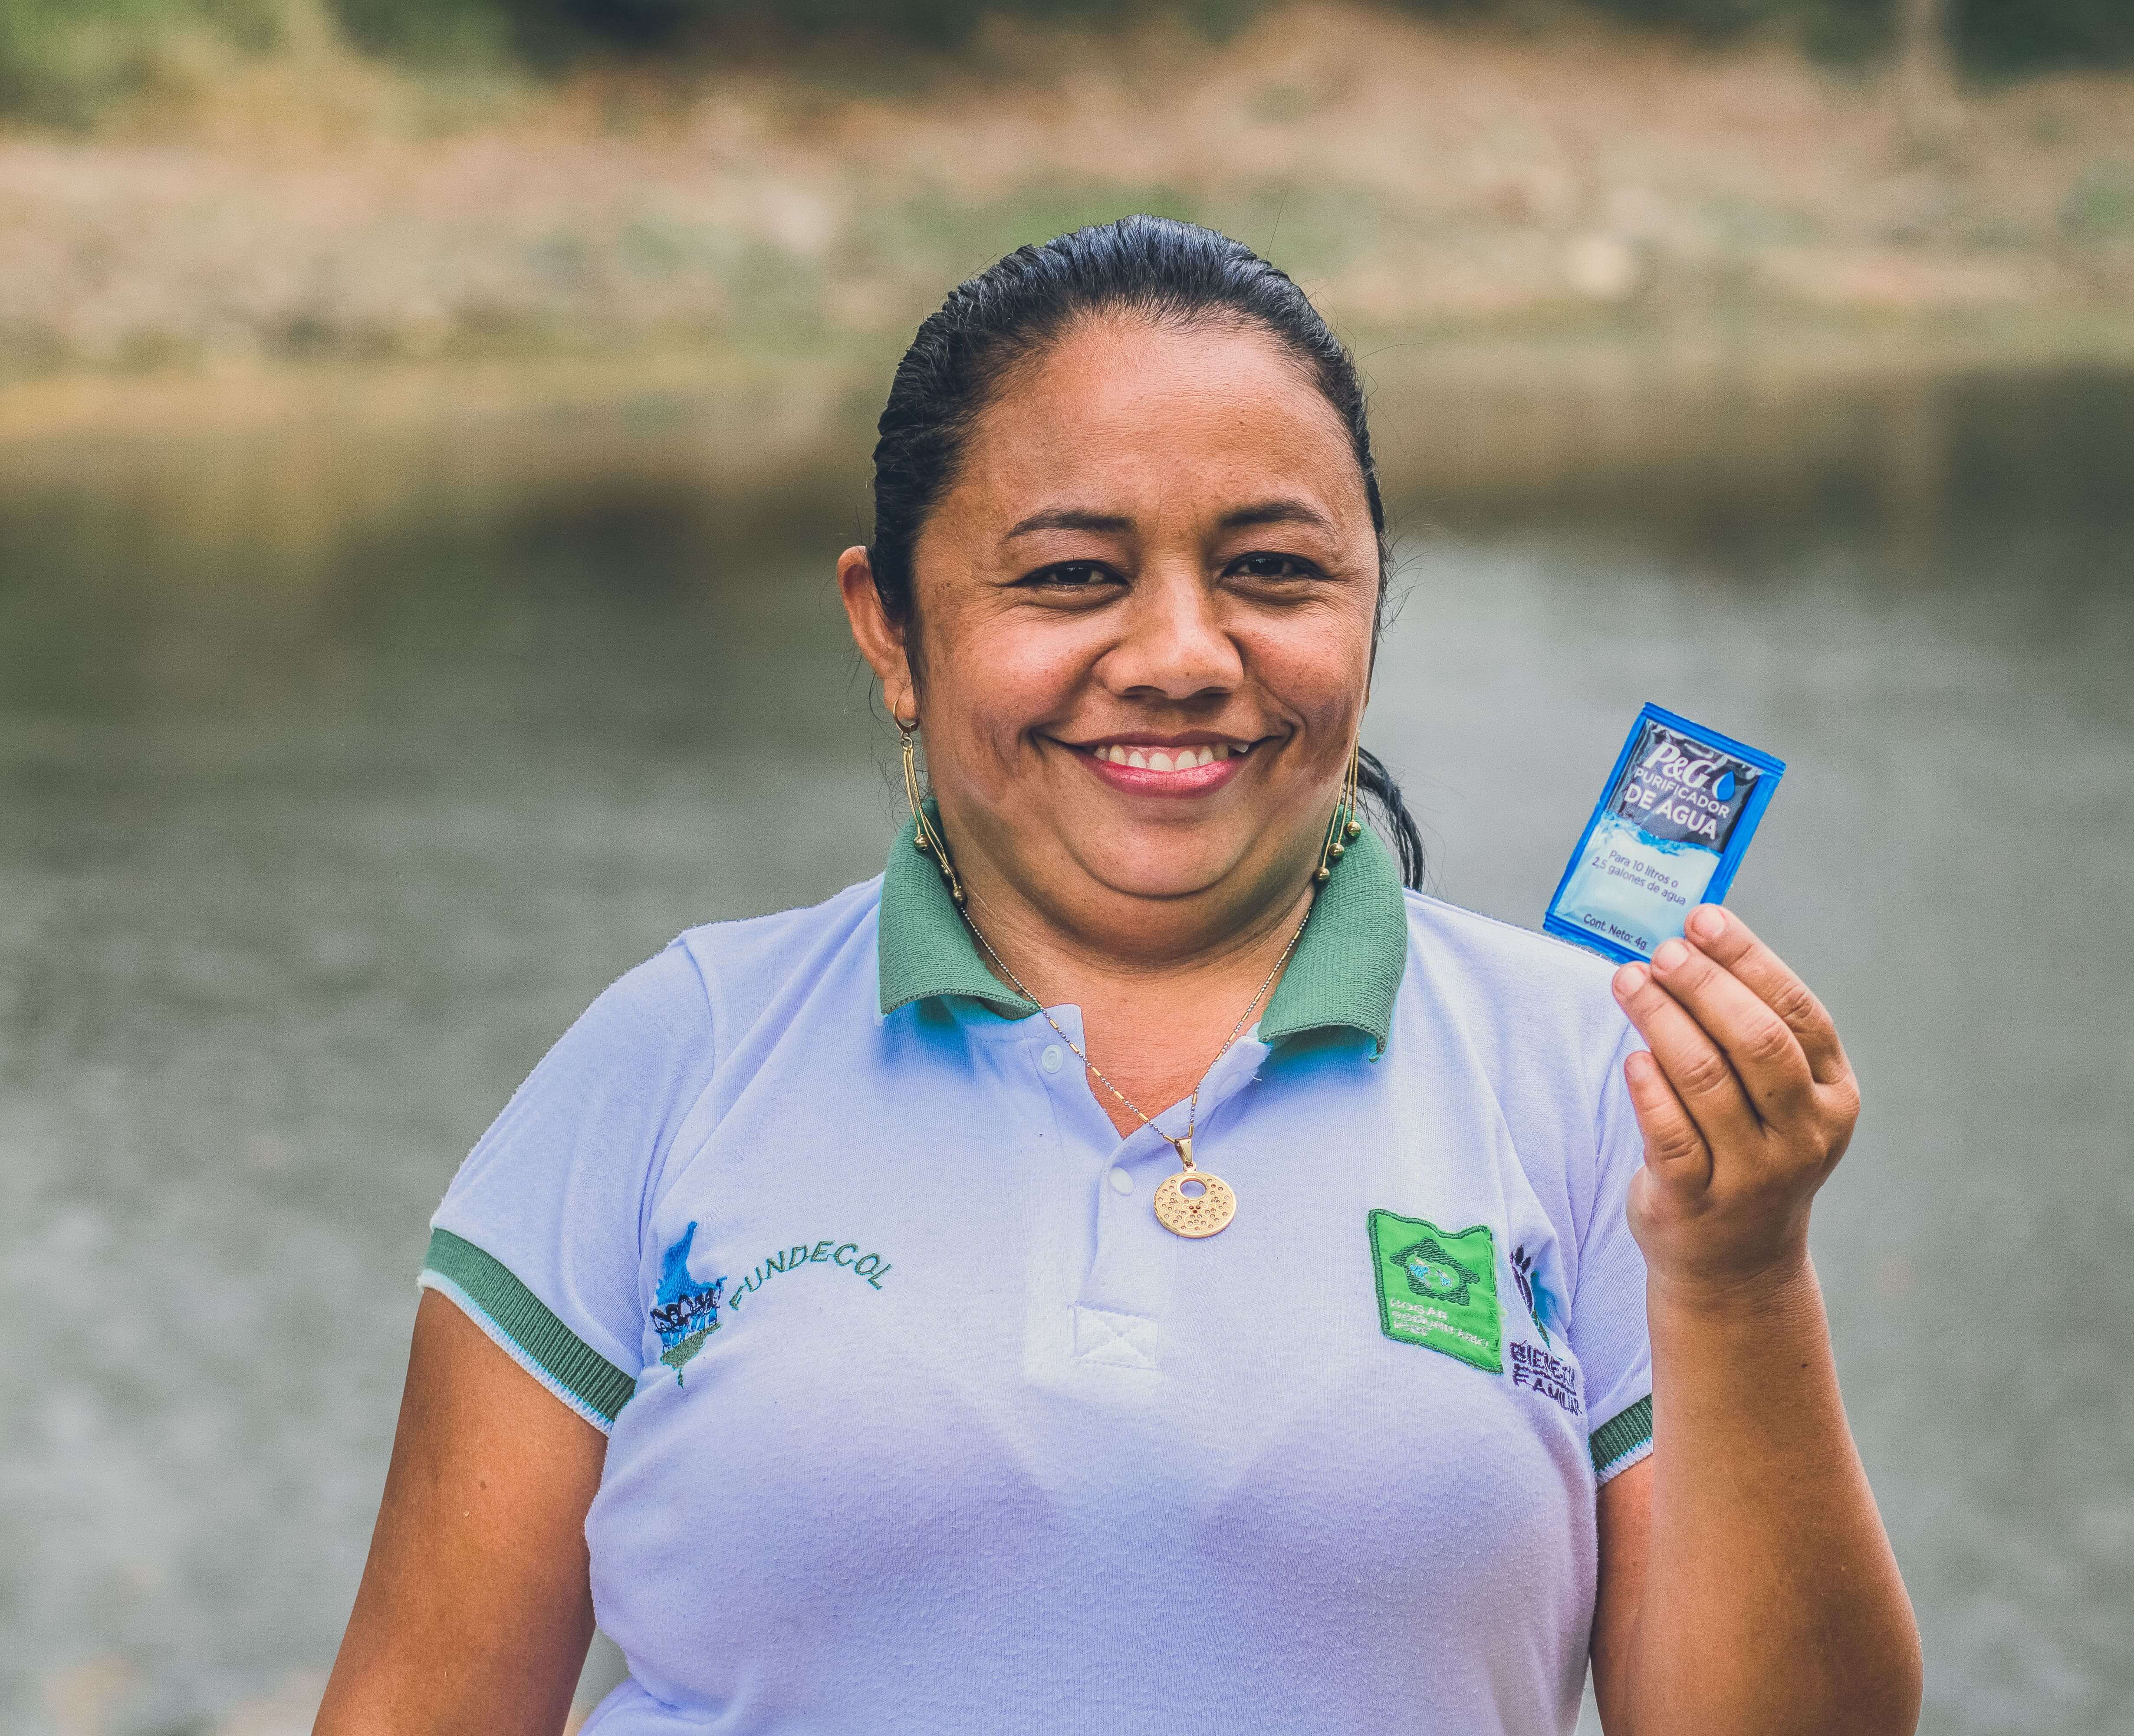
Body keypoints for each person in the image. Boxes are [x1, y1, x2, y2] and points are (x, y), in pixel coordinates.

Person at [316, 216, 1920, 1736]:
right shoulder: (677, 1053)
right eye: (1072, 574)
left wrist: (1740, 1272)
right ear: (891, 629)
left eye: (1277, 573)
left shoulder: (1597, 1082)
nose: (1182, 654)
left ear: (1374, 603)